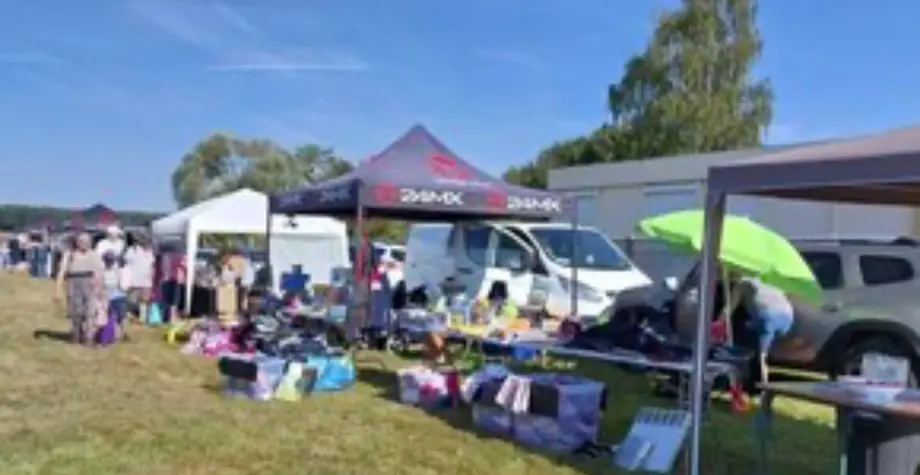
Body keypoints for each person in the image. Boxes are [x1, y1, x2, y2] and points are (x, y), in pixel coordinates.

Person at [726, 272, 794, 385]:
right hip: (787, 317)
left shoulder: (742, 283)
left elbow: (729, 309)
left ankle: (763, 388)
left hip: (767, 317)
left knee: (761, 356)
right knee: (752, 329)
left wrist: (717, 322)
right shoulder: (769, 279)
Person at [56, 233, 105, 345]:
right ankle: (76, 335)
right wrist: (58, 289)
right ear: (77, 242)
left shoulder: (94, 255)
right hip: (73, 283)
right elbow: (62, 271)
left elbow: (99, 272)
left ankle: (89, 338)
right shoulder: (69, 254)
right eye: (81, 241)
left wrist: (99, 288)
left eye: (87, 241)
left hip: (90, 283)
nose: (84, 243)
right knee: (75, 312)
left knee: (90, 312)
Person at [123, 234, 155, 323]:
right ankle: (131, 318)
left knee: (144, 301)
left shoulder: (149, 252)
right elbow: (127, 263)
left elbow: (151, 265)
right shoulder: (131, 250)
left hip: (146, 281)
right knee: (132, 301)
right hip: (134, 280)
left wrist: (151, 277)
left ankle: (142, 318)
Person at [101, 252, 131, 341]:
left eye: (111, 260)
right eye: (108, 260)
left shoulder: (118, 271)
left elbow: (124, 284)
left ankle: (125, 333)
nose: (110, 262)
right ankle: (116, 335)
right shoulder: (102, 271)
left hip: (119, 296)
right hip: (108, 298)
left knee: (122, 316)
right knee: (111, 317)